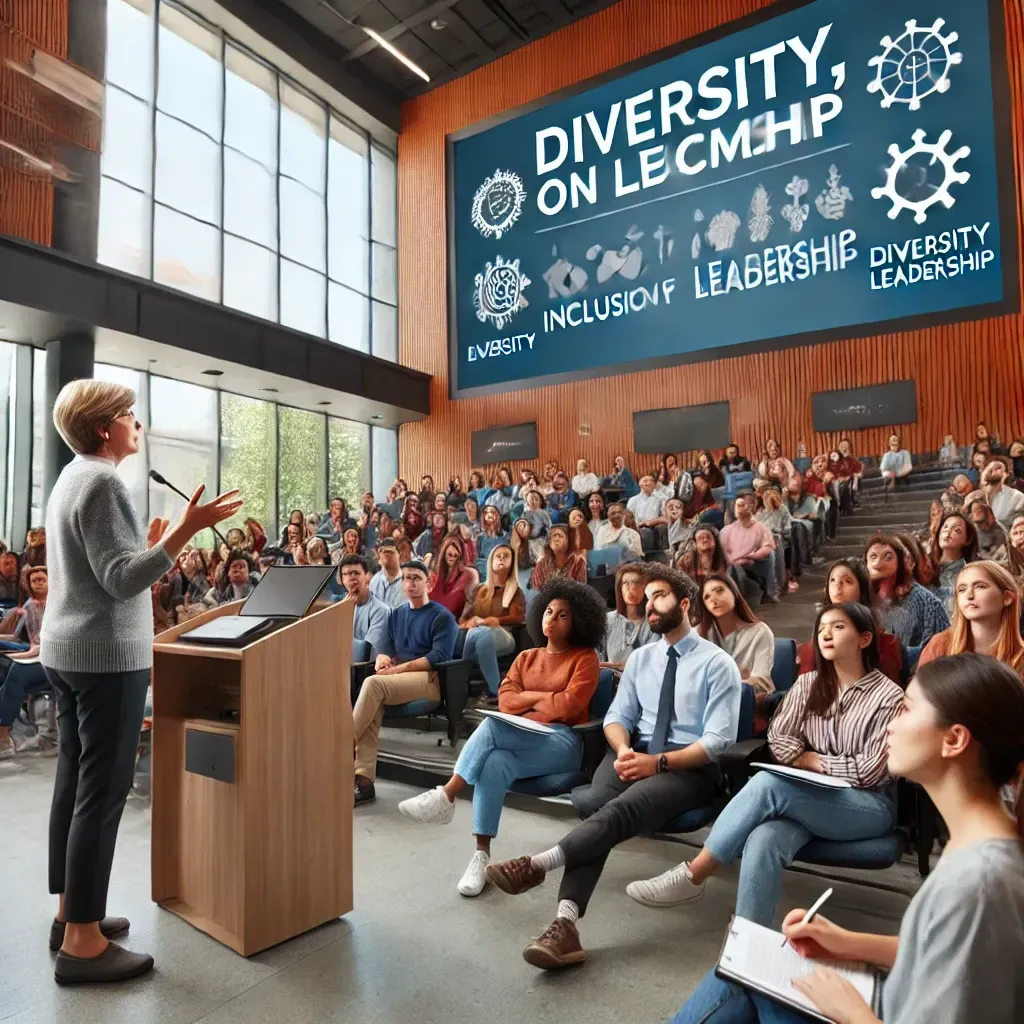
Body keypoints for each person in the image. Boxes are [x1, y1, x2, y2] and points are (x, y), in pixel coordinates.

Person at [671, 652, 1024, 1024]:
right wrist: (847, 943)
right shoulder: (976, 847)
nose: (890, 726)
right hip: (891, 998)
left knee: (737, 977)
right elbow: (946, 955)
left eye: (905, 710)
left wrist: (853, 1014)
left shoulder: (981, 883)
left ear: (953, 740)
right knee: (740, 968)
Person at [41, 379, 241, 983]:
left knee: (75, 781)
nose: (138, 422)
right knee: (101, 795)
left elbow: (105, 568)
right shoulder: (102, 481)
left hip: (68, 648)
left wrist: (148, 546)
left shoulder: (73, 475)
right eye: (129, 414)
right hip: (104, 659)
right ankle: (81, 944)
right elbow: (122, 581)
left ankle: (69, 915)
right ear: (105, 428)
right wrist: (186, 529)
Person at [484, 566, 740, 970]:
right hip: (631, 752)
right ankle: (564, 927)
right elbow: (617, 716)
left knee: (615, 811)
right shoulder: (641, 659)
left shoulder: (717, 664)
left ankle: (538, 866)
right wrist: (622, 749)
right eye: (647, 597)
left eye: (659, 597)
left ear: (685, 604)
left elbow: (717, 741)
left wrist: (656, 762)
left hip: (687, 765)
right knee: (605, 806)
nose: (648, 604)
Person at [629, 602, 901, 924]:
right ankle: (748, 941)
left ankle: (694, 874)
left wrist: (817, 762)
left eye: (838, 627)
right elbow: (779, 739)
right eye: (822, 627)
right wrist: (802, 757)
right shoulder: (808, 685)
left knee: (770, 785)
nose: (826, 634)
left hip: (867, 807)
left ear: (864, 638)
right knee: (764, 839)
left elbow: (872, 770)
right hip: (812, 800)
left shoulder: (889, 697)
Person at [398, 579, 605, 897]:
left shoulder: (585, 658)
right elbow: (507, 701)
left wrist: (530, 699)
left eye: (563, 615)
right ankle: (481, 856)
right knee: (493, 762)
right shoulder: (526, 658)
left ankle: (448, 795)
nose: (552, 618)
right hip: (521, 734)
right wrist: (544, 699)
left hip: (563, 741)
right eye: (548, 611)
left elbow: (568, 705)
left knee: (493, 728)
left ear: (578, 620)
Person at [352, 560, 458, 806]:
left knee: (373, 684)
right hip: (401, 679)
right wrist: (382, 661)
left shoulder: (442, 616)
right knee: (373, 702)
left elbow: (438, 658)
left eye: (416, 578)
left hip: (430, 680)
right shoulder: (396, 614)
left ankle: (342, 744)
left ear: (428, 582)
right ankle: (364, 782)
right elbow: (385, 650)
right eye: (406, 578)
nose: (410, 583)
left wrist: (394, 670)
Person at [796, 559, 903, 682]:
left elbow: (888, 687)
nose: (837, 586)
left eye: (847, 581)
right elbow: (808, 681)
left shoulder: (883, 640)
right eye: (832, 580)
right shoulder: (822, 629)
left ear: (861, 591)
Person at [918, 560, 1024, 672]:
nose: (969, 595)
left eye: (980, 586)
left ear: (1007, 598)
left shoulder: (1020, 657)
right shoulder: (940, 645)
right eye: (962, 589)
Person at [459, 544, 525, 696]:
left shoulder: (515, 591)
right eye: (498, 556)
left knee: (484, 633)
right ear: (490, 561)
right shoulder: (478, 590)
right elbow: (463, 620)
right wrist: (468, 624)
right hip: (475, 634)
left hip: (504, 635)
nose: (501, 558)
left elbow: (517, 617)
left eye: (506, 556)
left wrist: (492, 620)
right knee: (477, 635)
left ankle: (496, 691)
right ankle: (491, 689)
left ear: (511, 563)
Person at [697, 573, 775, 699]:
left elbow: (762, 681)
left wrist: (724, 687)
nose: (713, 599)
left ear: (735, 593)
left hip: (746, 704)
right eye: (706, 597)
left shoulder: (760, 632)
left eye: (719, 591)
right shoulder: (698, 635)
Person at [865, 534, 949, 647]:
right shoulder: (863, 597)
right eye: (873, 557)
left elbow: (938, 648)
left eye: (888, 557)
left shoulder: (927, 602)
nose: (878, 563)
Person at [720, 492, 778, 603]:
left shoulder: (761, 528)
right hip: (734, 565)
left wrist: (752, 556)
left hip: (755, 564)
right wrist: (738, 560)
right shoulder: (727, 530)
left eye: (747, 504)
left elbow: (767, 548)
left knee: (770, 555)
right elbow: (723, 552)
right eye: (739, 505)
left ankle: (768, 592)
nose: (743, 508)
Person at [333, 554, 390, 662]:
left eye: (356, 573)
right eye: (346, 574)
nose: (352, 578)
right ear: (341, 580)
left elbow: (364, 653)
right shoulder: (339, 608)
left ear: (368, 576)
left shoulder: (380, 611)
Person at [600, 564, 654, 672]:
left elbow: (650, 666)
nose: (631, 588)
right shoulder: (608, 620)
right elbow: (596, 661)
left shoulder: (653, 624)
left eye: (636, 582)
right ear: (619, 588)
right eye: (626, 583)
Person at [929, 512, 979, 608]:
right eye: (945, 527)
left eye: (956, 530)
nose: (947, 532)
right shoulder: (925, 567)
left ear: (967, 540)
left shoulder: (970, 572)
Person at [756, 484, 799, 592]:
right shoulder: (759, 511)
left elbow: (788, 528)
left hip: (781, 538)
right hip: (763, 540)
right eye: (766, 495)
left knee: (780, 544)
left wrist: (775, 531)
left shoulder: (783, 510)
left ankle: (784, 576)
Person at [427, 534, 477, 620]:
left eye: (456, 555)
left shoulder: (469, 574)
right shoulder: (435, 575)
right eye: (450, 555)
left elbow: (470, 603)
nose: (452, 558)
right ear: (444, 554)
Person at [531, 524, 587, 589]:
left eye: (560, 536)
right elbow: (537, 590)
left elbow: (581, 590)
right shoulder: (542, 564)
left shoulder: (578, 561)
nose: (556, 539)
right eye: (554, 536)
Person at [965, 494, 1013, 566]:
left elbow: (1008, 547)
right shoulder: (971, 533)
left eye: (980, 510)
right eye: (974, 511)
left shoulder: (1000, 528)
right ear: (970, 516)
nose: (977, 512)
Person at [626, 473, 667, 551]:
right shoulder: (633, 500)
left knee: (645, 533)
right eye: (645, 480)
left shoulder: (660, 499)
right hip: (634, 528)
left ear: (655, 485)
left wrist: (650, 522)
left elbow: (666, 517)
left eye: (651, 480)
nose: (647, 482)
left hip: (651, 528)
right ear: (639, 484)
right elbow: (627, 518)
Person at [982, 458, 1024, 529]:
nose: (993, 469)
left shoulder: (1017, 497)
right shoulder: (976, 496)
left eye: (998, 467)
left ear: (1006, 474)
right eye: (990, 468)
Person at [370, 538, 405, 609]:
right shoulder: (375, 581)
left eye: (390, 552)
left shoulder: (407, 581)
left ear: (399, 555)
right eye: (384, 552)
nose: (387, 556)